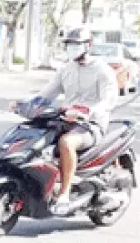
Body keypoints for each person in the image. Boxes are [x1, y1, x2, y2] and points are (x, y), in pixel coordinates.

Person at [32, 26, 117, 215]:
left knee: (66, 142)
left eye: (76, 44)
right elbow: (46, 94)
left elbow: (108, 100)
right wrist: (25, 104)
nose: (72, 48)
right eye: (69, 45)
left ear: (88, 45)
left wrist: (87, 111)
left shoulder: (102, 70)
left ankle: (65, 193)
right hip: (65, 121)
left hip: (90, 125)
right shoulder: (66, 69)